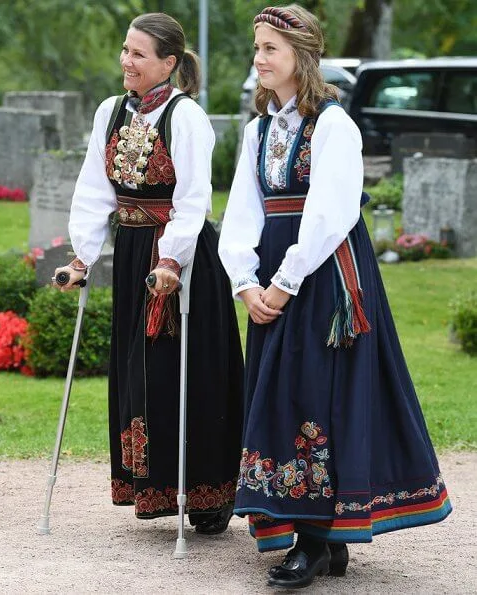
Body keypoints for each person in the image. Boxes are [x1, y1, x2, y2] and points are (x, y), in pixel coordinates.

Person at [218, 4, 452, 589]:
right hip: (271, 274)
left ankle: (317, 539)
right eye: (257, 48)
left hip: (324, 275)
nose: (260, 59)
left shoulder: (333, 125)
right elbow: (242, 212)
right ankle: (313, 534)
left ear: (303, 55)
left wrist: (285, 279)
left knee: (316, 394)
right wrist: (245, 281)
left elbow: (329, 213)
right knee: (278, 393)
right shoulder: (258, 131)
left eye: (270, 48)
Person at [54, 12, 243, 535]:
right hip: (134, 249)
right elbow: (94, 188)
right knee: (139, 371)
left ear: (169, 63)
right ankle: (151, 488)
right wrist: (81, 257)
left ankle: (208, 494)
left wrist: (172, 259)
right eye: (124, 50)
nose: (126, 61)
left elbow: (193, 199)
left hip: (180, 261)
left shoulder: (186, 118)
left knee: (184, 370)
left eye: (138, 54)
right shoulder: (110, 112)